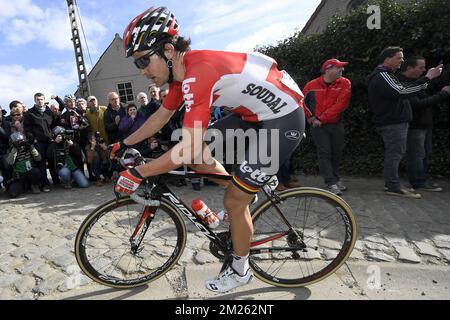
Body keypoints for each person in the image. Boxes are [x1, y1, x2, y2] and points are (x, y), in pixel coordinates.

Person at [111, 6, 305, 293]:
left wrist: (140, 172)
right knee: (200, 155)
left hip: (283, 118)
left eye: (142, 61)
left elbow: (185, 148)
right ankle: (251, 188)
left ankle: (240, 269)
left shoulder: (197, 73)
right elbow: (160, 117)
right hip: (252, 115)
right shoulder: (181, 71)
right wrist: (124, 143)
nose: (141, 72)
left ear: (167, 50)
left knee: (232, 200)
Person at [367, 47, 443, 199]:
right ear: (387, 59)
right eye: (399, 58)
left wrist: (426, 80)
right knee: (395, 154)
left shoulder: (389, 75)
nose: (402, 61)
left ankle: (393, 184)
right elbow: (401, 92)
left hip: (394, 122)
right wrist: (427, 78)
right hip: (392, 123)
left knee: (396, 153)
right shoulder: (383, 75)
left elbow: (405, 89)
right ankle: (393, 186)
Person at [398, 56, 450, 192]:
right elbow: (418, 104)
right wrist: (443, 94)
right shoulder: (404, 83)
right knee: (417, 154)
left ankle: (420, 180)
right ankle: (418, 182)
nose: (424, 70)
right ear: (409, 68)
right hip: (415, 125)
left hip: (425, 124)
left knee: (424, 153)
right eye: (420, 67)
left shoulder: (418, 82)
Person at [303, 58, 352, 195]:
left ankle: (335, 179)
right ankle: (330, 182)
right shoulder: (311, 85)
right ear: (328, 70)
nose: (342, 69)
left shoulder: (344, 83)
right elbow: (301, 102)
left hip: (335, 124)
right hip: (318, 126)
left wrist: (321, 119)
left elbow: (341, 104)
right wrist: (310, 117)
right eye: (339, 67)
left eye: (342, 67)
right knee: (324, 153)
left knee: (337, 152)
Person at [23, 93, 59, 192]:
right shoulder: (30, 113)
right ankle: (45, 184)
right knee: (41, 163)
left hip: (50, 141)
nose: (40, 101)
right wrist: (33, 139)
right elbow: (27, 129)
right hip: (38, 142)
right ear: (35, 100)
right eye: (38, 99)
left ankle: (56, 181)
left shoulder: (49, 112)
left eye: (42, 99)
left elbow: (53, 126)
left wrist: (54, 137)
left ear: (44, 100)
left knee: (52, 161)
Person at [5, 132, 42, 197]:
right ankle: (22, 187)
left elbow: (38, 158)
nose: (21, 144)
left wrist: (32, 148)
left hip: (30, 172)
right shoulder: (11, 151)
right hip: (19, 175)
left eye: (22, 141)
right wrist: (15, 149)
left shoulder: (29, 148)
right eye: (18, 142)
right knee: (13, 194)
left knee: (35, 171)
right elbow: (9, 162)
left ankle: (34, 185)